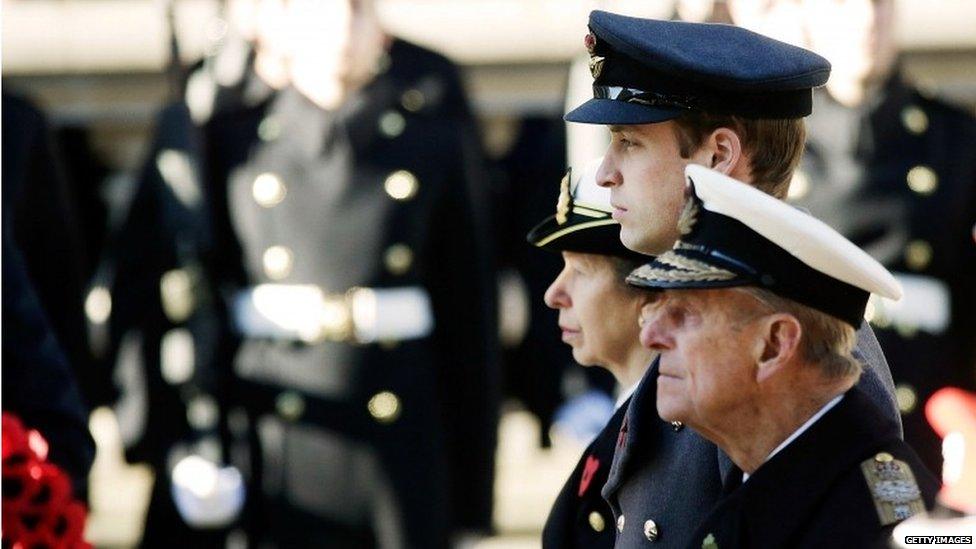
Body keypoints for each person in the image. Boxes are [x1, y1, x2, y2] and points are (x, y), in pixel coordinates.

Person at [113, 0, 499, 546]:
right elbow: (179, 299)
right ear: (278, 28)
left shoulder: (435, 143)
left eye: (358, 9)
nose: (341, 26)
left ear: (380, 30)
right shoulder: (229, 143)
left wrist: (471, 500)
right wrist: (182, 444)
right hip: (275, 431)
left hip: (400, 435)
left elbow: (470, 323)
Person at [562, 11, 903, 547]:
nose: (605, 173)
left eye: (629, 142)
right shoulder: (720, 315)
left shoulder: (801, 354)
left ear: (718, 155)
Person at [630, 164, 938, 547]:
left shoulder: (885, 524)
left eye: (684, 316)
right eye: (655, 311)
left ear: (775, 344)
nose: (651, 335)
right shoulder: (769, 486)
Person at [730, 0, 976, 476]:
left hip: (932, 432)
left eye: (881, 4)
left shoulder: (957, 139)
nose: (867, 20)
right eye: (845, 3)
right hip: (804, 429)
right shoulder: (765, 144)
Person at [526, 158, 653, 548]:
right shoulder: (631, 416)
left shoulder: (672, 432)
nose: (554, 294)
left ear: (650, 288)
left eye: (580, 272)